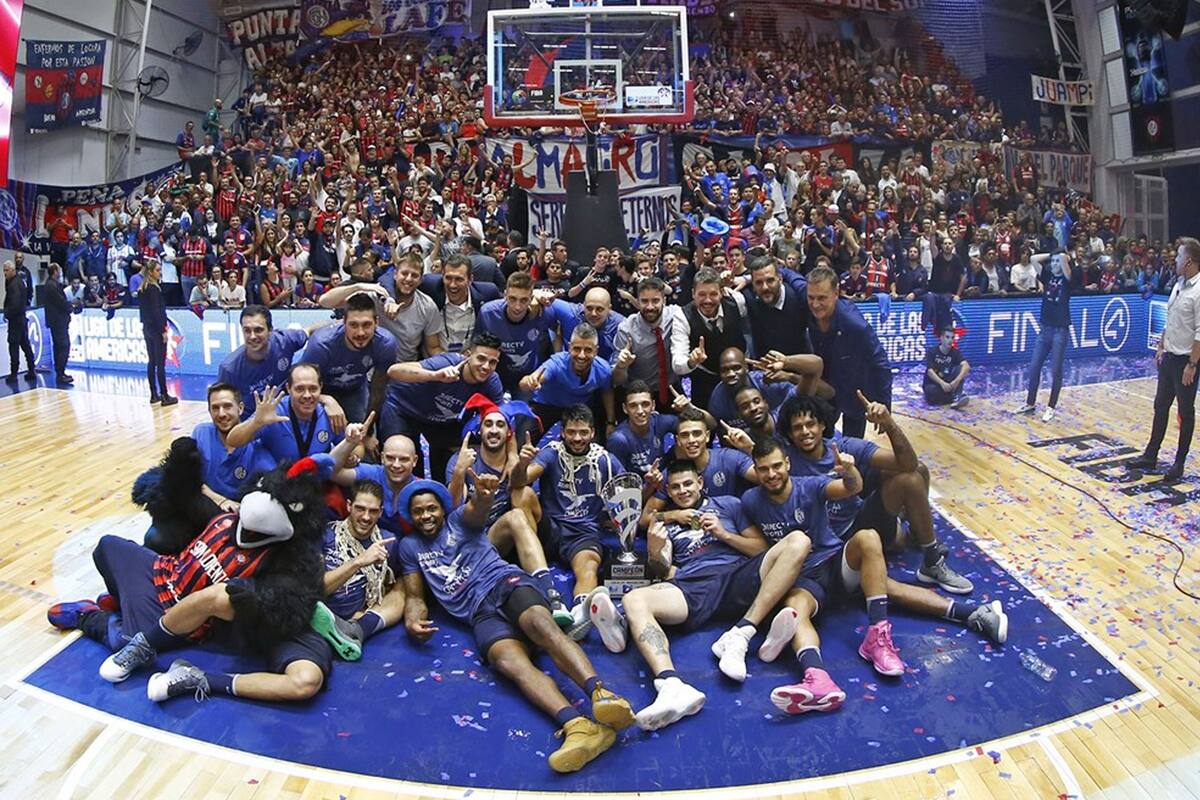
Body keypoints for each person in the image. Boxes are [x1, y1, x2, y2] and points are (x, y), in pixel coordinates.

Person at [742, 438, 1007, 714]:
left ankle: (963, 617)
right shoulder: (750, 501)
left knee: (869, 542)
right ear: (755, 471)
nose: (771, 474)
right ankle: (818, 679)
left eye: (776, 466)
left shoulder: (809, 485)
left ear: (787, 464)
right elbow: (755, 544)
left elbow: (851, 487)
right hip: (802, 579)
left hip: (833, 562)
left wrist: (849, 471)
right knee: (794, 611)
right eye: (764, 469)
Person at [396, 477, 636, 773]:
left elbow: (477, 509)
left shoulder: (458, 521)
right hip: (478, 613)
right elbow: (415, 596)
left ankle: (602, 694)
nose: (426, 516)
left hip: (503, 583)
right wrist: (412, 619)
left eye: (431, 508)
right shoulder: (409, 547)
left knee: (540, 625)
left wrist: (484, 496)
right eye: (418, 511)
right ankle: (579, 727)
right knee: (507, 661)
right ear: (410, 516)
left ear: (442, 509)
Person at [586, 460, 812, 730]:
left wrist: (724, 535)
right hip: (693, 585)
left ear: (700, 483)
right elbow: (663, 570)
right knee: (633, 599)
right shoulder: (663, 522)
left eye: (688, 484)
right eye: (675, 487)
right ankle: (670, 685)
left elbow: (760, 549)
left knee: (799, 540)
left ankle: (743, 630)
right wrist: (655, 550)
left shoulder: (728, 504)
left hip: (737, 575)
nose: (682, 491)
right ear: (668, 491)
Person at [772, 393, 974, 593]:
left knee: (916, 473)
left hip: (859, 520)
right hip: (835, 542)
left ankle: (929, 558)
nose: (805, 431)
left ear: (822, 425)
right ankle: (901, 531)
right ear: (789, 434)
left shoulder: (843, 447)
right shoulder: (784, 462)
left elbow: (909, 464)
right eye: (797, 427)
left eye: (810, 424)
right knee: (909, 482)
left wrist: (889, 424)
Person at [447, 395, 573, 625]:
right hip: (474, 542)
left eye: (500, 425)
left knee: (521, 500)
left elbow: (518, 483)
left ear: (508, 433)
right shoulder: (463, 459)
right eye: (488, 424)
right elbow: (453, 510)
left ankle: (550, 594)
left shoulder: (512, 459)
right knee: (513, 516)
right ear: (480, 430)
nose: (494, 430)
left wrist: (521, 463)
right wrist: (458, 472)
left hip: (505, 535)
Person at [509, 404, 629, 637]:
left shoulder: (605, 460)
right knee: (522, 493)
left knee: (589, 566)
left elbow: (628, 494)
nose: (577, 438)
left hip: (583, 533)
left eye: (583, 432)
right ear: (562, 432)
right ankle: (549, 592)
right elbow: (518, 482)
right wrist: (522, 465)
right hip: (549, 528)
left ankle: (580, 612)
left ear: (592, 433)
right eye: (571, 432)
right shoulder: (552, 452)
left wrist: (648, 488)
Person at [381, 330, 504, 479]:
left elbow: (503, 420)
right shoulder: (447, 362)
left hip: (441, 421)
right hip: (404, 409)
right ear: (467, 356)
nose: (486, 366)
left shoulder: (492, 381)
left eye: (492, 362)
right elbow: (393, 371)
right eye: (481, 359)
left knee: (453, 460)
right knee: (402, 460)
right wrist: (435, 376)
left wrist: (512, 456)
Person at [1132, 237, 1200, 481]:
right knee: (1160, 406)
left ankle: (1179, 463)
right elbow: (1170, 318)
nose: (1175, 259)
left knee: (1185, 412)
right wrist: (1161, 346)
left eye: (1179, 256)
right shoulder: (1178, 284)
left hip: (1186, 362)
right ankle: (1150, 455)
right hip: (1169, 357)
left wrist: (1192, 364)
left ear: (1189, 260)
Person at [803, 265, 893, 437]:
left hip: (854, 389)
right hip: (825, 388)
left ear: (836, 293)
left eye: (822, 298)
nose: (815, 304)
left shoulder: (855, 324)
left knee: (852, 445)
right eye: (811, 297)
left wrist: (884, 406)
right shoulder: (807, 307)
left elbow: (880, 363)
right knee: (818, 440)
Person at [640, 407, 758, 525]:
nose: (691, 440)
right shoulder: (672, 474)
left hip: (731, 527)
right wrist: (674, 515)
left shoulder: (729, 458)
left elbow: (765, 478)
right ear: (678, 440)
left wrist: (750, 448)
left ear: (707, 436)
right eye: (685, 435)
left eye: (696, 434)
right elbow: (645, 519)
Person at [301, 292, 398, 423]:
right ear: (343, 323)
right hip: (319, 389)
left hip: (355, 389)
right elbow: (300, 387)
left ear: (376, 322)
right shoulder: (321, 345)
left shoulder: (385, 344)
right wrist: (326, 400)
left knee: (359, 431)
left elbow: (378, 389)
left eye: (367, 325)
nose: (360, 332)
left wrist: (367, 428)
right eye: (353, 325)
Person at [478, 271, 573, 397]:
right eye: (512, 299)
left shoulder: (544, 314)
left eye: (523, 300)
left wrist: (557, 360)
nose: (517, 307)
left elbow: (557, 333)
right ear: (505, 295)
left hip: (527, 376)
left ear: (531, 298)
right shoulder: (488, 313)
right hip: (494, 374)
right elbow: (477, 344)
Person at [217, 306, 319, 420]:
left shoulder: (284, 341)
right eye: (247, 330)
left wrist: (336, 326)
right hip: (251, 422)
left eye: (258, 330)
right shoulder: (229, 369)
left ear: (270, 330)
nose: (252, 336)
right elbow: (222, 409)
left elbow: (311, 329)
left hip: (286, 414)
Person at [612, 277, 696, 413]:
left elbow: (700, 305)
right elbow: (617, 380)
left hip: (671, 390)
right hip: (638, 395)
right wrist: (621, 366)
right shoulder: (626, 329)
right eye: (644, 301)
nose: (650, 307)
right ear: (637, 302)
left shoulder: (677, 316)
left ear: (664, 301)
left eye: (655, 301)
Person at [225, 368, 344, 463]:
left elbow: (352, 448)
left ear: (320, 387)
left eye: (313, 389)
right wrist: (256, 423)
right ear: (288, 388)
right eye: (300, 389)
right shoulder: (273, 411)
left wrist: (351, 457)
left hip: (316, 481)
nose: (307, 395)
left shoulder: (330, 413)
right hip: (276, 481)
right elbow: (232, 440)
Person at [522, 323, 615, 438]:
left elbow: (607, 392)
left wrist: (611, 422)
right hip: (545, 406)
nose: (581, 355)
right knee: (525, 437)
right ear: (570, 347)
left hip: (578, 411)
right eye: (577, 349)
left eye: (588, 350)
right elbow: (526, 382)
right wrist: (530, 381)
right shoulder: (557, 363)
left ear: (596, 351)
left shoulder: (603, 369)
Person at [1016, 251, 1073, 422]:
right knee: (1034, 367)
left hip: (1060, 331)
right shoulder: (1048, 276)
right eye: (1052, 261)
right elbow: (1033, 259)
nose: (1054, 264)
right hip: (1045, 330)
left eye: (1058, 262)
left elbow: (1067, 270)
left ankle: (1051, 407)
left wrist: (1063, 256)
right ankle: (1030, 403)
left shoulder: (1069, 279)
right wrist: (1053, 253)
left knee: (1056, 370)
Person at [682, 268, 750, 409]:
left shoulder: (737, 301)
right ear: (693, 294)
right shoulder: (682, 316)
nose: (707, 300)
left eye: (713, 294)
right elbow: (678, 363)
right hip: (705, 380)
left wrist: (746, 278)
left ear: (722, 292)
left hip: (740, 373)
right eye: (702, 294)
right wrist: (690, 361)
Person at [137, 259, 177, 406]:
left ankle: (154, 394)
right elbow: (157, 312)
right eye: (158, 270)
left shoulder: (142, 289)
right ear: (151, 272)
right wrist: (163, 330)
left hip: (147, 328)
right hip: (156, 329)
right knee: (160, 364)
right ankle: (165, 395)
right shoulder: (154, 289)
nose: (160, 273)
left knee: (152, 361)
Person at [41, 263, 75, 385]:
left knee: (59, 346)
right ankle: (61, 373)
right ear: (55, 271)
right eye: (59, 269)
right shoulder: (52, 285)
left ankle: (60, 372)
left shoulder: (51, 284)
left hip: (56, 321)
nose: (60, 272)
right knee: (63, 346)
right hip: (58, 321)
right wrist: (71, 306)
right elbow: (61, 302)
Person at [4, 259, 36, 383]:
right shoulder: (17, 282)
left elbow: (15, 304)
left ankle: (14, 373)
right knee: (25, 345)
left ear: (13, 270)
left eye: (6, 270)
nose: (4, 273)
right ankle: (31, 369)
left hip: (16, 320)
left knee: (14, 346)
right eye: (4, 270)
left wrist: (7, 313)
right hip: (21, 319)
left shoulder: (14, 284)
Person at [923, 328, 970, 408]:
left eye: (952, 338)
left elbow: (966, 366)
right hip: (935, 384)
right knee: (931, 393)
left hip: (949, 383)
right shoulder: (932, 352)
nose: (950, 340)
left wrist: (956, 381)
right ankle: (953, 396)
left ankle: (956, 397)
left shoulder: (955, 352)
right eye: (947, 337)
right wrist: (942, 383)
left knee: (960, 368)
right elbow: (930, 372)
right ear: (941, 338)